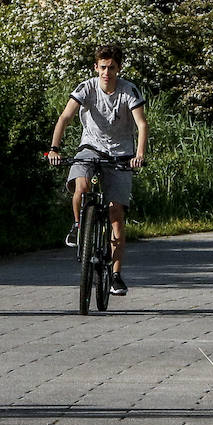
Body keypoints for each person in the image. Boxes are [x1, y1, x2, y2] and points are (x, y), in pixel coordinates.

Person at [47, 44, 148, 296]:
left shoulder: (128, 90)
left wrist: (139, 155)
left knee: (116, 214)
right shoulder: (86, 87)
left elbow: (141, 124)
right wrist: (54, 148)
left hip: (121, 153)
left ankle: (115, 274)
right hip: (90, 147)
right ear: (96, 67)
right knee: (80, 185)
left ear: (118, 68)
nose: (106, 72)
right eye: (102, 67)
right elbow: (65, 118)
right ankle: (79, 225)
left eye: (111, 68)